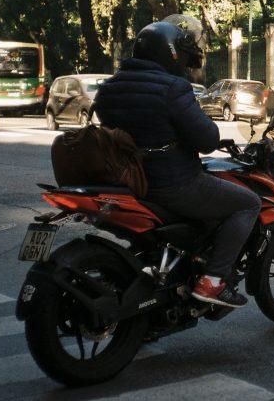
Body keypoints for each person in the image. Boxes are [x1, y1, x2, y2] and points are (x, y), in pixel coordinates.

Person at [94, 15, 260, 308]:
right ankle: (212, 281)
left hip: (127, 183)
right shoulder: (172, 88)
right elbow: (208, 140)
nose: (184, 64)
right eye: (182, 56)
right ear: (169, 53)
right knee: (248, 203)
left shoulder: (109, 88)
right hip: (171, 184)